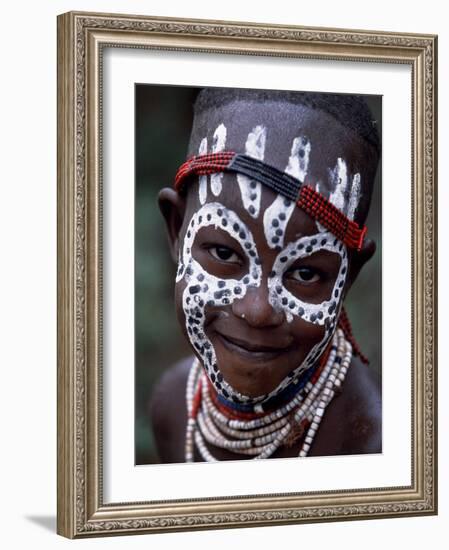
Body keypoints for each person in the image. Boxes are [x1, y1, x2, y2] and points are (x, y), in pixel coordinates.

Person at [150, 87, 381, 463]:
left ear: (347, 277)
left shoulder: (379, 446)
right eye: (225, 253)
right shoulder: (172, 406)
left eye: (305, 273)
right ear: (178, 230)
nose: (257, 311)